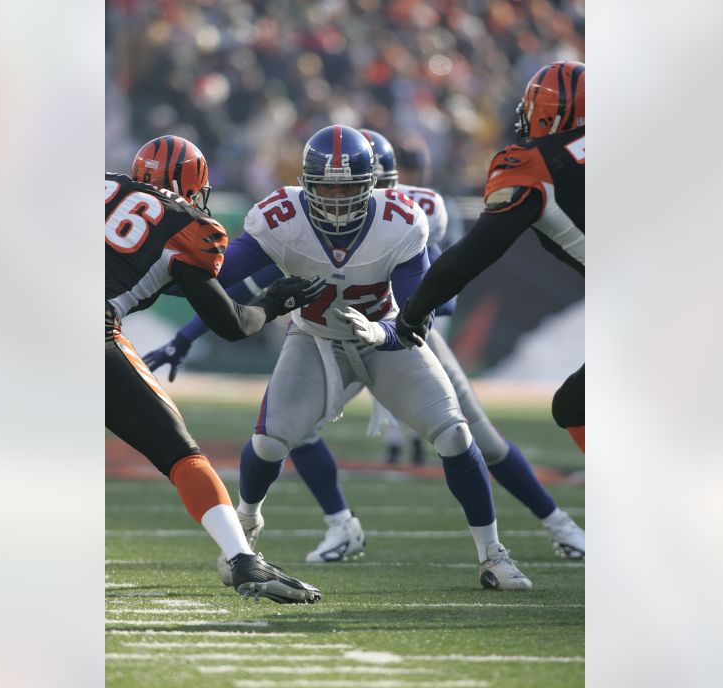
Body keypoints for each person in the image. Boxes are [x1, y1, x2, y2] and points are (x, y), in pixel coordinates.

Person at [145, 128, 585, 563]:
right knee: (273, 439)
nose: (336, 200)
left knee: (462, 434)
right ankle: (304, 524)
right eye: (326, 188)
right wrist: (167, 286)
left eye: (349, 187)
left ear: (377, 183)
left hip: (392, 335)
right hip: (317, 339)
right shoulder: (283, 217)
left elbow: (433, 304)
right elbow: (222, 281)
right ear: (306, 185)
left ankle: (512, 545)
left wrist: (388, 332)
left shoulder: (411, 215)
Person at [105, 135, 325, 604]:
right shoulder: (186, 224)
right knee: (181, 453)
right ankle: (243, 559)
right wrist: (272, 302)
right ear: (193, 186)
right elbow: (231, 324)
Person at [396, 61, 586, 454]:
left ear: (549, 114)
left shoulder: (534, 164)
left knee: (579, 407)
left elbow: (476, 253)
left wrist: (414, 310)